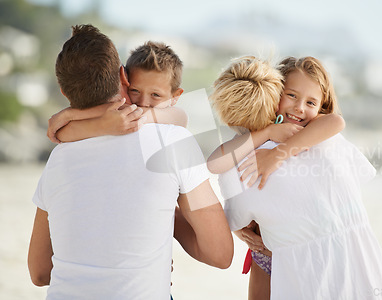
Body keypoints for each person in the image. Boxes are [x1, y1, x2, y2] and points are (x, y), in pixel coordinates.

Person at [27, 24, 233, 300]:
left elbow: (39, 272)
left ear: (64, 94)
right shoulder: (172, 142)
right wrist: (163, 215)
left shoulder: (60, 155)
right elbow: (219, 253)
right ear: (124, 77)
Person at [210, 56, 382, 299]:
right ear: (276, 92)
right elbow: (216, 163)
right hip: (267, 254)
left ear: (321, 106)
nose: (299, 108)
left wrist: (279, 154)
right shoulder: (259, 135)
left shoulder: (314, 131)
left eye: (311, 102)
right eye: (292, 96)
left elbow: (335, 121)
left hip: (310, 252)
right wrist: (268, 132)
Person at [46, 40, 187, 143]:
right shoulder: (116, 115)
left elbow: (137, 111)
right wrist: (101, 125)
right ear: (125, 79)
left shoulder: (177, 115)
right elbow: (62, 134)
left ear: (175, 96)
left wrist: (72, 113)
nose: (142, 102)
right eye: (135, 90)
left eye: (155, 95)